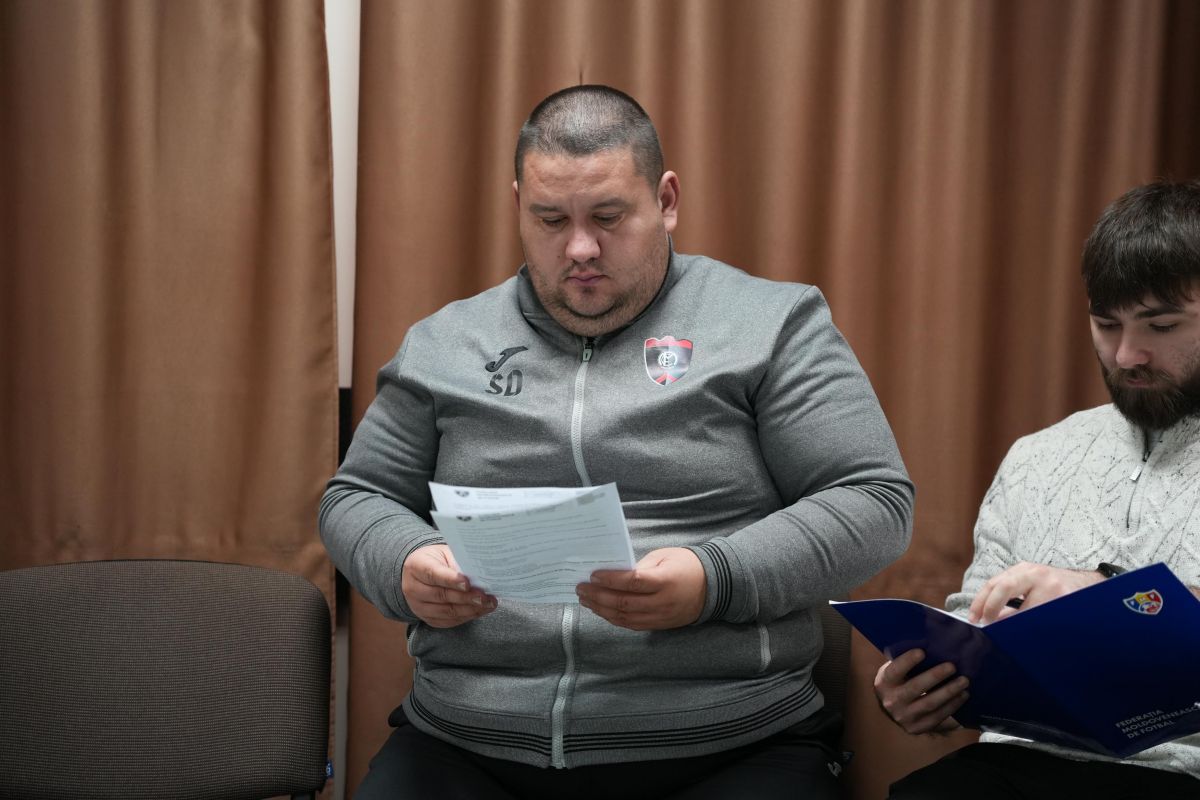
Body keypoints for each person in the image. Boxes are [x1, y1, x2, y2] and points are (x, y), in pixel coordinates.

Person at [320, 85, 913, 799]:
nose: (580, 248)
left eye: (608, 217)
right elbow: (356, 498)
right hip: (469, 741)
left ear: (666, 201)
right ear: (518, 206)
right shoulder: (445, 344)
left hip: (728, 743)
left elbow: (873, 501)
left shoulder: (772, 325)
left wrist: (714, 579)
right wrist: (405, 562)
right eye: (550, 220)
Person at [874, 179, 1200, 799]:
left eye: (1161, 325)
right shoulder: (1037, 456)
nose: (1126, 355)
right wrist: (927, 686)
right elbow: (976, 619)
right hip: (1019, 763)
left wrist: (1108, 600)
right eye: (1106, 325)